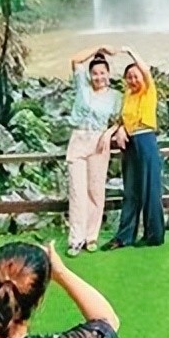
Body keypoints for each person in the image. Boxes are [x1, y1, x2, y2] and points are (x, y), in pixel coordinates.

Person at [65, 47, 124, 257]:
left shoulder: (117, 96)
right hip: (79, 139)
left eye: (102, 72)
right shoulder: (83, 87)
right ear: (91, 75)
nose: (99, 77)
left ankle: (91, 236)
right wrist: (99, 49)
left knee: (95, 190)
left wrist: (109, 133)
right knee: (76, 191)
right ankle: (75, 240)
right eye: (95, 73)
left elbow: (121, 121)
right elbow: (76, 59)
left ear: (109, 74)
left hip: (100, 141)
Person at [104, 46, 164, 250]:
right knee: (130, 190)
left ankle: (153, 235)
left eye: (135, 76)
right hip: (129, 143)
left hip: (145, 139)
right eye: (129, 77)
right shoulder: (127, 95)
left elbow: (146, 71)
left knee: (150, 189)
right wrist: (120, 129)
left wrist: (130, 51)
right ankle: (124, 236)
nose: (133, 80)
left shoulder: (148, 90)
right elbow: (124, 119)